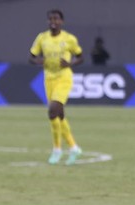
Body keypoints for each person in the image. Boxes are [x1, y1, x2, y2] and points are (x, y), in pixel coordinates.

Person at [29, 9, 84, 166]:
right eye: (51, 19)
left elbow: (80, 56)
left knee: (53, 110)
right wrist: (38, 61)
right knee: (58, 114)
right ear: (48, 21)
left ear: (62, 21)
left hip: (64, 77)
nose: (53, 21)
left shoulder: (69, 39)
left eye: (56, 18)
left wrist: (71, 63)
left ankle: (57, 149)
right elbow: (31, 57)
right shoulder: (42, 38)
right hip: (49, 78)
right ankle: (74, 147)